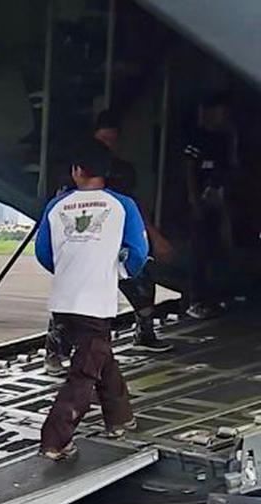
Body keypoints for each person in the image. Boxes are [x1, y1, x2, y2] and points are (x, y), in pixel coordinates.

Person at [35, 140, 148, 460]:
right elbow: (139, 252)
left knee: (100, 358)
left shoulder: (56, 206)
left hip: (63, 300)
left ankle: (120, 418)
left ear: (77, 171)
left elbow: (43, 252)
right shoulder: (122, 204)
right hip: (95, 302)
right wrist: (119, 271)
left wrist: (72, 266)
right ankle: (55, 439)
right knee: (84, 373)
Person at [43, 110, 174, 374]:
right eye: (104, 139)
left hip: (114, 245)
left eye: (113, 140)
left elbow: (134, 209)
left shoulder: (122, 172)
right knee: (72, 304)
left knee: (142, 284)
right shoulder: (74, 173)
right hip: (83, 243)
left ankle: (144, 334)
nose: (108, 145)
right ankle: (55, 352)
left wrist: (151, 241)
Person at [183, 92, 238, 319]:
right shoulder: (197, 136)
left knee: (218, 246)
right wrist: (194, 199)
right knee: (199, 250)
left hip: (219, 198)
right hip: (200, 198)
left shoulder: (225, 138)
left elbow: (230, 168)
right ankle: (195, 300)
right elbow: (188, 167)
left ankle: (214, 297)